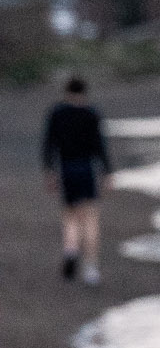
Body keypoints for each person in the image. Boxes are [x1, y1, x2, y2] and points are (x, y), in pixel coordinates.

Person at [42, 76, 113, 285]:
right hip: (86, 168)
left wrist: (49, 171)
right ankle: (90, 267)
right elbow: (100, 146)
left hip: (66, 168)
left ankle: (71, 248)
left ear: (67, 91)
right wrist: (107, 173)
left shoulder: (57, 113)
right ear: (84, 92)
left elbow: (49, 144)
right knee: (90, 218)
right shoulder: (91, 114)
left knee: (70, 214)